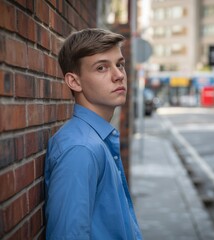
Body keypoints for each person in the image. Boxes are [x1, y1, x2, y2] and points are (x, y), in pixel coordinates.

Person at [44, 28, 142, 240]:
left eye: (120, 64)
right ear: (74, 82)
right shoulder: (81, 149)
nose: (118, 75)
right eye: (101, 68)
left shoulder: (96, 139)